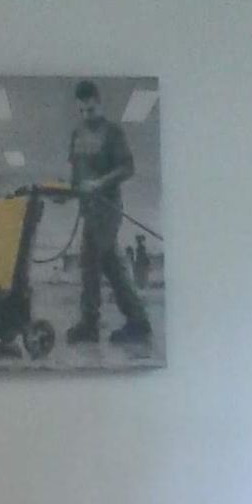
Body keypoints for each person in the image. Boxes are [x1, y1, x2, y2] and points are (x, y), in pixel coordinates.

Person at [64, 80, 151, 349]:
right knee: (100, 266)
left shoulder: (113, 132)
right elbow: (76, 172)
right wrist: (68, 191)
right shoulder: (77, 133)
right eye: (82, 111)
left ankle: (112, 323)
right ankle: (121, 322)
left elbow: (128, 168)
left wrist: (99, 183)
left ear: (98, 103)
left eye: (91, 109)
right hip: (89, 210)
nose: (87, 115)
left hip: (108, 208)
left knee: (99, 263)